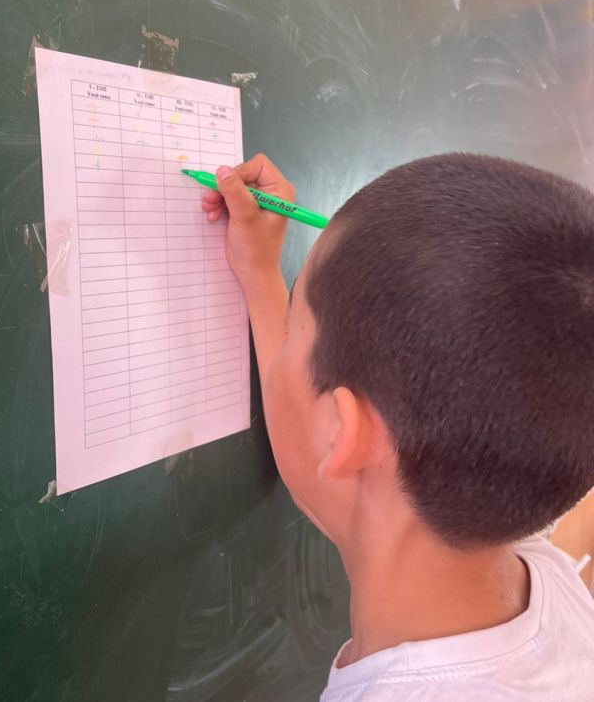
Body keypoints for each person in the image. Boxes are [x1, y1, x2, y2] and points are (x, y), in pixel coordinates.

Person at [202, 152, 594, 701]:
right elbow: (326, 460)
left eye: (294, 323)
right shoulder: (540, 577)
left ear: (341, 433)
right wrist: (259, 274)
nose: (285, 334)